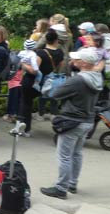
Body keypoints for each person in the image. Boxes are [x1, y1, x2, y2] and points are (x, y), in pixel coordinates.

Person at [40, 49, 103, 199]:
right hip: (87, 120)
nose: (73, 61)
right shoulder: (97, 77)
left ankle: (61, 188)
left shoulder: (78, 80)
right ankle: (72, 184)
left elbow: (54, 94)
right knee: (76, 154)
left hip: (72, 121)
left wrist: (51, 82)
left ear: (84, 63)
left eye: (76, 59)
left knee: (65, 156)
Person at [37, 29, 65, 120]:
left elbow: (37, 66)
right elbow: (61, 64)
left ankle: (41, 114)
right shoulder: (60, 52)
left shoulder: (41, 52)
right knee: (54, 96)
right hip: (54, 76)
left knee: (42, 95)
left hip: (43, 77)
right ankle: (54, 114)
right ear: (56, 40)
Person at [18, 39, 41, 136]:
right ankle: (25, 129)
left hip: (25, 78)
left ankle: (20, 127)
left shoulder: (21, 53)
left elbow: (17, 62)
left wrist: (22, 64)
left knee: (23, 103)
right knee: (27, 105)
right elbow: (35, 70)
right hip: (31, 79)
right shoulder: (33, 55)